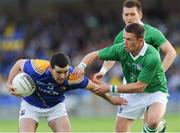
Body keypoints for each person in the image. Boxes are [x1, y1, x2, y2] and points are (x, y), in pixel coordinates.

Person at [91, 0, 176, 132]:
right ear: (122, 16)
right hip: (130, 84)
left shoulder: (152, 32)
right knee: (120, 129)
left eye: (132, 14)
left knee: (149, 123)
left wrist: (159, 71)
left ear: (140, 14)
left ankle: (156, 124)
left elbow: (171, 52)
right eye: (126, 14)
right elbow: (113, 55)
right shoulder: (121, 36)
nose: (129, 18)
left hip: (150, 85)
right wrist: (103, 71)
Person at [73, 23, 170, 132]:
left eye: (129, 39)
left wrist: (110, 88)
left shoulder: (152, 56)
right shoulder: (121, 48)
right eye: (124, 38)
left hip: (155, 91)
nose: (124, 42)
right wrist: (82, 66)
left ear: (140, 40)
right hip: (132, 92)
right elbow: (94, 54)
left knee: (152, 122)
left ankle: (159, 126)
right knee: (120, 130)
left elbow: (140, 86)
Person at [7, 52, 128, 132]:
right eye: (59, 72)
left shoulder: (73, 77)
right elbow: (18, 64)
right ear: (50, 68)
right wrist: (9, 83)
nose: (63, 75)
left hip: (55, 107)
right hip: (31, 105)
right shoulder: (37, 68)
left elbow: (95, 88)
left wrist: (111, 99)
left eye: (65, 71)